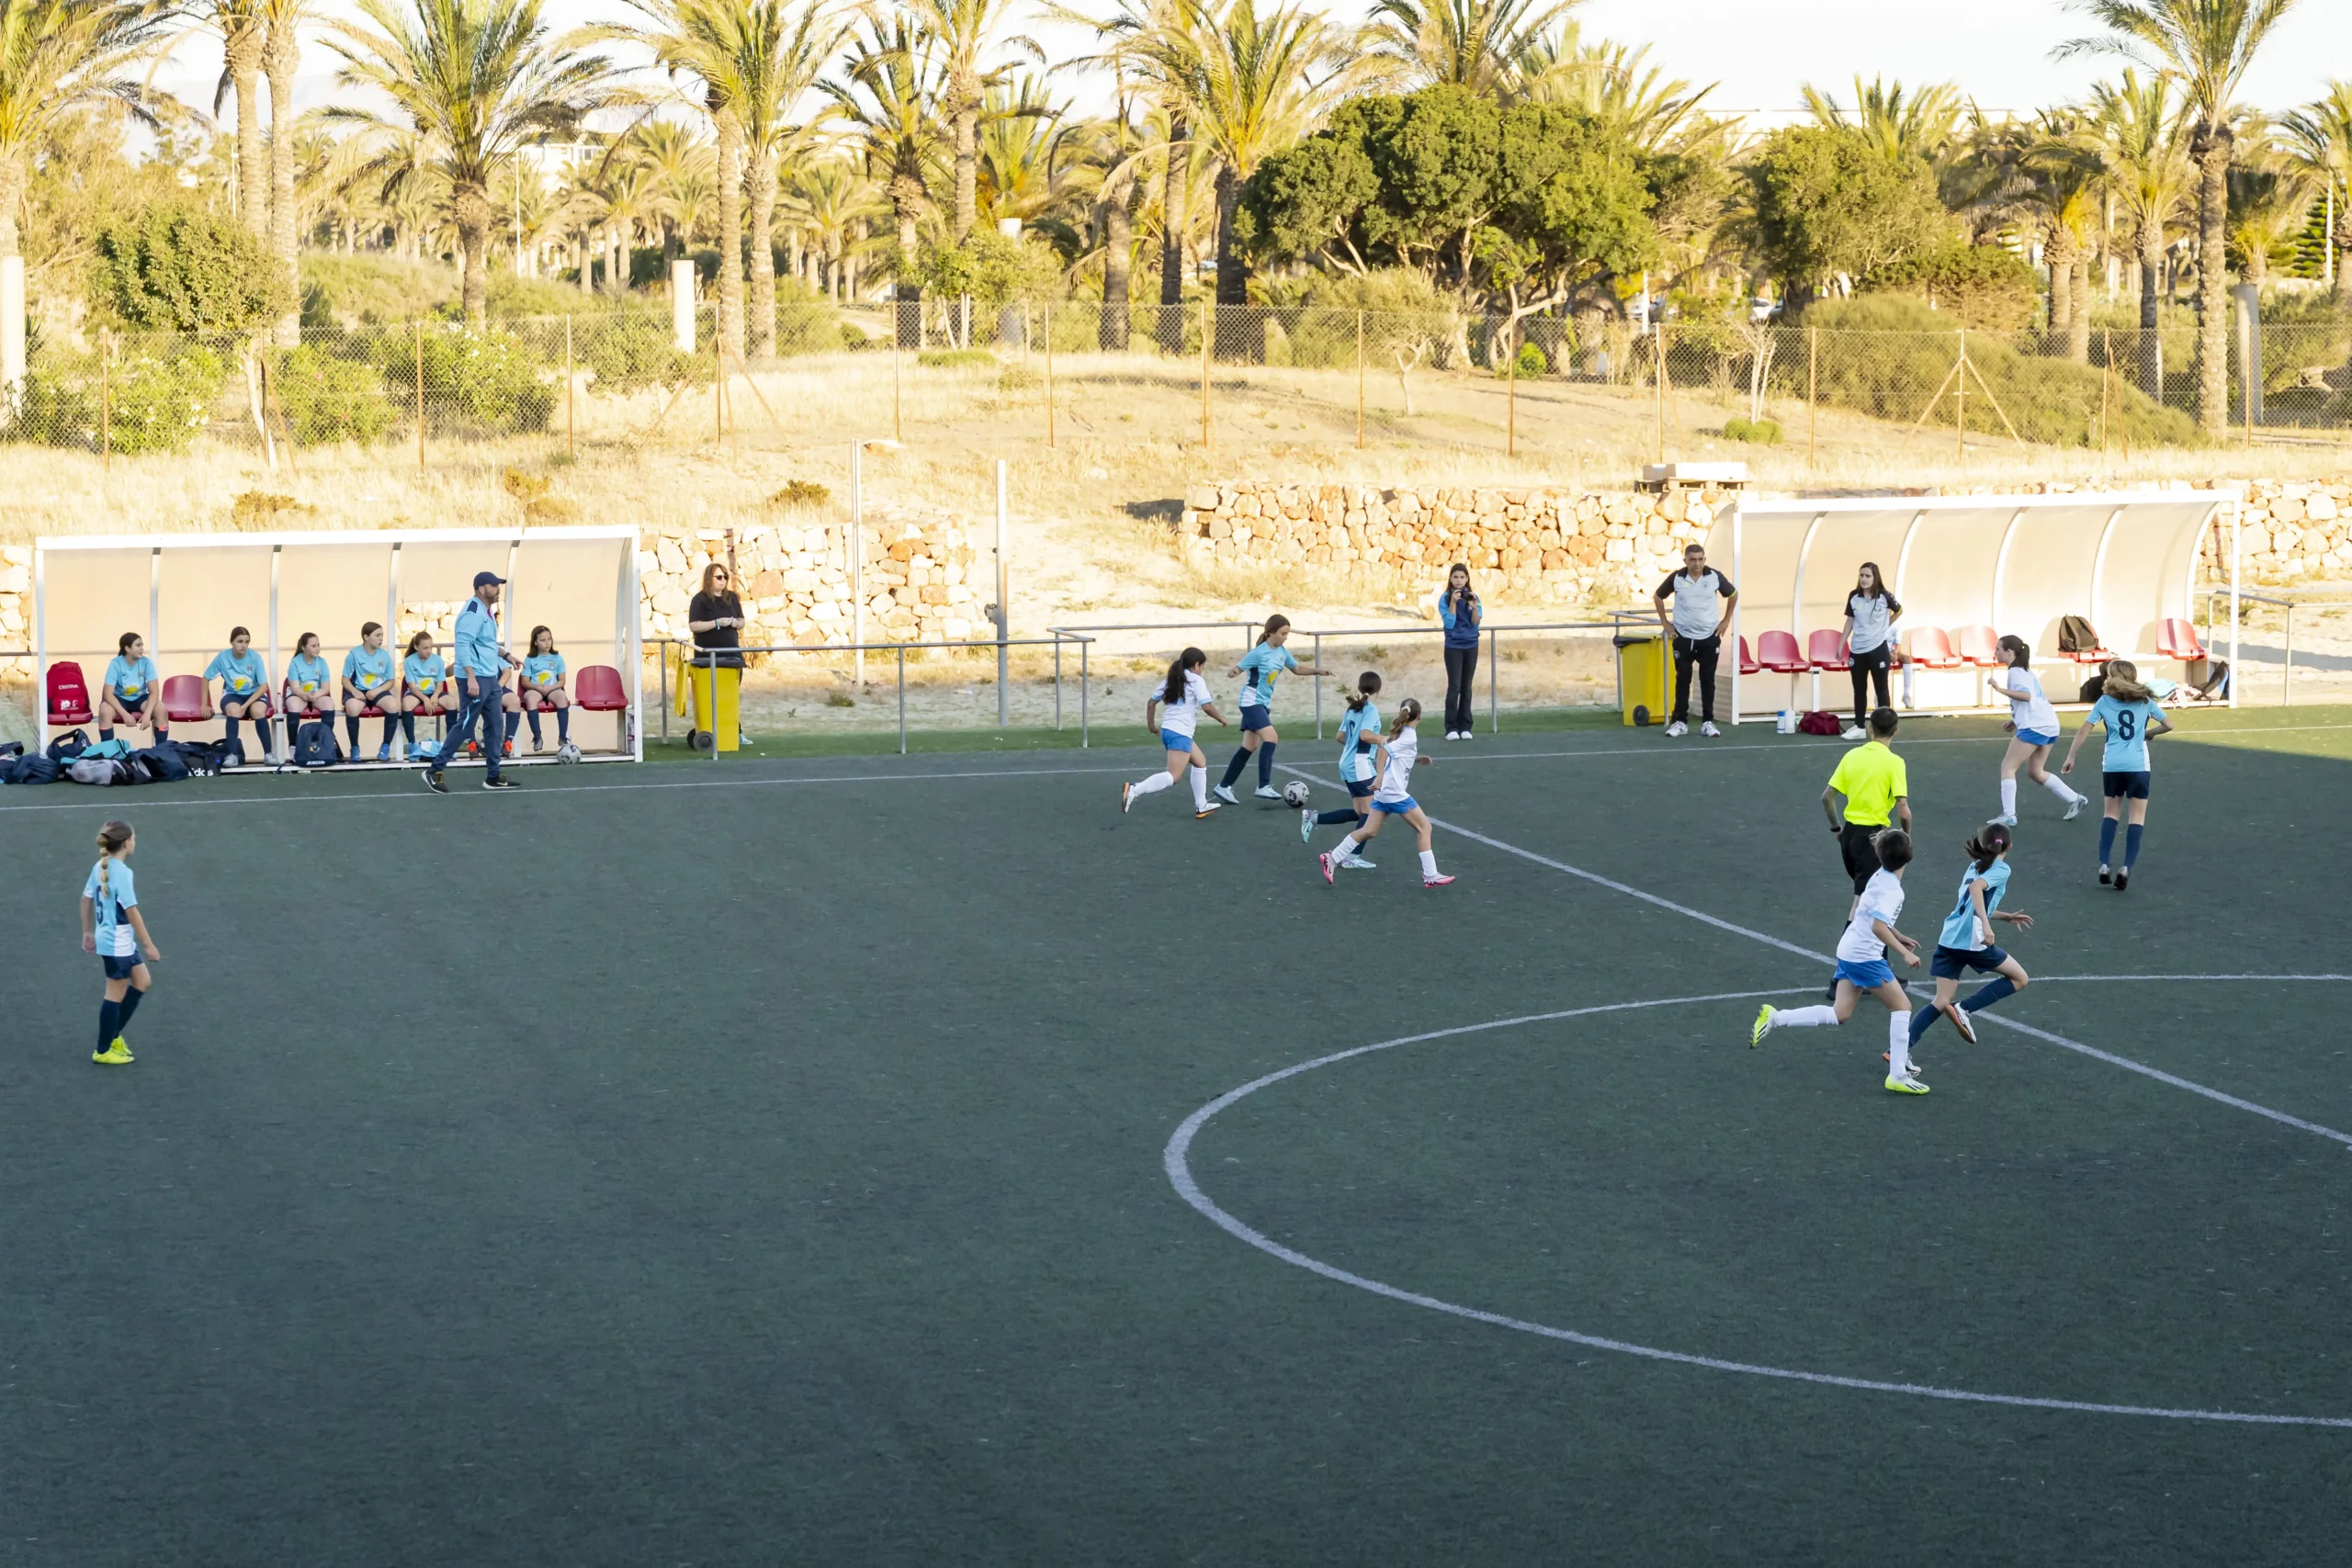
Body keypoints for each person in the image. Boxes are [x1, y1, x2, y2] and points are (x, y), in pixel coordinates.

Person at [1749, 829, 1928, 1095]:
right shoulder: (1893, 890)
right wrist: (1904, 953)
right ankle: (1898, 1074)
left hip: (1849, 949)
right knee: (1902, 1007)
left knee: (1840, 1013)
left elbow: (1868, 914)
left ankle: (1775, 1018)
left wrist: (1899, 936)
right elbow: (1878, 926)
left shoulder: (1879, 876)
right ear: (1909, 857)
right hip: (1865, 956)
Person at [1903, 821, 2033, 1066]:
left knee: (1941, 1001)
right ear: (2009, 846)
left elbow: (1970, 901)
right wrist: (1986, 924)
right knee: (2020, 978)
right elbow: (1976, 889)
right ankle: (1964, 1008)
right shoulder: (2002, 869)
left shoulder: (1975, 865)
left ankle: (1899, 1051)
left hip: (1949, 938)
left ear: (1984, 844)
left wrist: (2004, 916)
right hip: (1972, 940)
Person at [1317, 697, 1453, 888]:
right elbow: (1383, 750)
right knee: (1425, 828)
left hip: (1384, 793)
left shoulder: (1400, 732)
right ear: (1419, 717)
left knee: (1368, 831)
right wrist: (1380, 775)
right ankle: (1431, 875)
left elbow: (1397, 753)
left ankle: (1332, 858)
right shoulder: (1409, 735)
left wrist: (1415, 758)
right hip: (1394, 793)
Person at [2061, 659, 2170, 890]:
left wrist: (2071, 756)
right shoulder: (2145, 701)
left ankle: (2104, 864)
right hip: (2138, 766)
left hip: (2112, 765)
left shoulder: (2104, 701)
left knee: (2110, 814)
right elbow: (2168, 724)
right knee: (2137, 817)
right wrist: (2150, 732)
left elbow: (2083, 731)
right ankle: (2126, 867)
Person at [424, 571, 520, 794]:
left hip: (490, 678)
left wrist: (507, 656)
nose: (498, 589)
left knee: (495, 725)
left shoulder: (487, 611)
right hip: (475, 678)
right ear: (481, 589)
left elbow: (487, 644)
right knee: (465, 724)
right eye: (493, 585)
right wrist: (471, 677)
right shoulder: (473, 612)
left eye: (499, 585)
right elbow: (462, 645)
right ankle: (434, 770)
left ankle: (493, 776)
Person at [1215, 614, 1329, 803]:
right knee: (1271, 738)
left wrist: (1318, 671)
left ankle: (1224, 786)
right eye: (1283, 633)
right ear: (1270, 633)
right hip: (1251, 701)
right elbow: (1239, 667)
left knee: (1249, 746)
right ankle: (1263, 786)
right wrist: (1233, 672)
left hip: (1262, 703)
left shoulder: (1282, 651)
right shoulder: (1259, 652)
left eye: (1287, 634)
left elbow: (1297, 669)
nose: (1286, 637)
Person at [80, 819, 157, 1067]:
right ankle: (103, 1050)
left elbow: (86, 899)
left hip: (115, 940)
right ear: (126, 843)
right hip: (117, 944)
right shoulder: (122, 873)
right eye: (134, 838)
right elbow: (132, 911)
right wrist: (148, 944)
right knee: (114, 994)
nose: (135, 842)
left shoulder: (100, 866)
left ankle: (113, 1036)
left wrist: (87, 931)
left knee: (142, 981)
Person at [1987, 635, 2086, 826]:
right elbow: (2034, 701)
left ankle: (2009, 815)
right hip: (2049, 724)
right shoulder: (2025, 672)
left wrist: (2000, 690)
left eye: (1998, 649)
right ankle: (2075, 799)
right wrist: (2015, 720)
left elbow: (2026, 696)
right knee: (2035, 771)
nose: (1995, 652)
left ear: (2009, 652)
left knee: (2008, 767)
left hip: (2035, 726)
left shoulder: (2015, 672)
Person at [1122, 648, 1227, 817]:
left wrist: (1151, 726)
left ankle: (1201, 805)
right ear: (1197, 665)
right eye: (1202, 666)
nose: (1202, 670)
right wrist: (1221, 719)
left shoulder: (1171, 679)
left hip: (1168, 730)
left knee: (1200, 762)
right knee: (1174, 776)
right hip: (1180, 732)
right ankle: (1134, 790)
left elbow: (1151, 703)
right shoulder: (1196, 680)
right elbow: (1206, 706)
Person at [1822, 706, 1911, 900]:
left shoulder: (1851, 755)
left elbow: (1827, 797)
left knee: (1868, 898)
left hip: (1849, 836)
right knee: (1863, 900)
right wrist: (1906, 835)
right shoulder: (1894, 762)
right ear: (1896, 731)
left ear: (1870, 728)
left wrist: (1837, 828)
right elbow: (1903, 808)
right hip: (1873, 839)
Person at [1653, 542, 1737, 739]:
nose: (1697, 563)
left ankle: (1708, 722)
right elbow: (1658, 597)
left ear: (1704, 560)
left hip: (1709, 637)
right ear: (1685, 561)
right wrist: (1665, 623)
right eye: (1692, 560)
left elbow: (1733, 594)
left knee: (1707, 680)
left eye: (1700, 559)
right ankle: (1680, 722)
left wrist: (1726, 621)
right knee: (1683, 679)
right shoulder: (1677, 578)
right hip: (1683, 636)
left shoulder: (1714, 576)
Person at [1302, 671, 1382, 869]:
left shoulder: (1353, 708)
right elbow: (1365, 735)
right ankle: (1352, 856)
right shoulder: (1370, 710)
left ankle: (1314, 818)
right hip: (1360, 765)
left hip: (1346, 763)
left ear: (1360, 687)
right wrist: (1386, 740)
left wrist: (1353, 746)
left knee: (1359, 812)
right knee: (1371, 813)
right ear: (1378, 690)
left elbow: (1340, 736)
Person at [687, 561, 747, 749]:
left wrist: (734, 623)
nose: (723, 580)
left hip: (731, 654)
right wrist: (717, 623)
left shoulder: (732, 598)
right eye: (719, 577)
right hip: (708, 656)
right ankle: (708, 730)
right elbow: (694, 625)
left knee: (729, 696)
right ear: (709, 578)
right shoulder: (700, 600)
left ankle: (734, 731)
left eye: (725, 577)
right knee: (710, 697)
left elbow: (742, 621)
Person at [1838, 562, 1900, 740]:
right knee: (1859, 689)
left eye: (1868, 576)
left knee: (1881, 689)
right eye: (1862, 575)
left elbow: (1899, 610)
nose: (1864, 579)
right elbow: (1849, 621)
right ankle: (1859, 726)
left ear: (1875, 578)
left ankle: (1885, 729)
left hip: (1878, 649)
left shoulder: (1885, 596)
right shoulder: (1854, 596)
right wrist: (1841, 643)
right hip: (1857, 650)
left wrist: (1885, 624)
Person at [204, 626, 274, 764]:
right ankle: (232, 755)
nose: (244, 645)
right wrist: (204, 704)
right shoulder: (223, 657)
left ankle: (268, 754)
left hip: (254, 695)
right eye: (240, 641)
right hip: (232, 694)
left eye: (247, 642)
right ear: (232, 642)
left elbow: (263, 687)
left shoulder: (255, 657)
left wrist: (245, 706)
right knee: (233, 710)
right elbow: (205, 678)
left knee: (258, 711)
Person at [342, 621, 401, 761]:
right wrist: (354, 692)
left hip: (378, 690)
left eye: (382, 635)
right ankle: (354, 748)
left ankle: (385, 746)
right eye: (377, 635)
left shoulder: (385, 656)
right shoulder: (353, 655)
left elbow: (390, 681)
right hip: (358, 690)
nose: (381, 639)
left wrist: (376, 691)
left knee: (393, 706)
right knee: (352, 708)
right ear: (366, 637)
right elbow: (345, 680)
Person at [96, 632, 166, 744]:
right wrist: (124, 714)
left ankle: (162, 749)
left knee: (161, 709)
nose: (142, 648)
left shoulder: (146, 662)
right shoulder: (115, 663)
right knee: (105, 710)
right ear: (127, 648)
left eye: (142, 645)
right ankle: (107, 750)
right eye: (138, 645)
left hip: (140, 698)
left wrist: (147, 713)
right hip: (119, 698)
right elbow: (108, 694)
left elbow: (154, 691)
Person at [1439, 564, 1482, 740]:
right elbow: (1449, 623)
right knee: (1454, 686)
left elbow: (1476, 623)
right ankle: (1451, 727)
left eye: (1462, 577)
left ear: (1467, 579)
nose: (1459, 581)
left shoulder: (1473, 596)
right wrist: (1453, 603)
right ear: (1450, 578)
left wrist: (1473, 606)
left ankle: (1465, 726)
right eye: (1455, 577)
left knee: (1467, 687)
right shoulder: (1445, 598)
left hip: (1471, 645)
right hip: (1453, 646)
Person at [401, 631, 456, 758]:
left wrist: (435, 696)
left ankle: (450, 745)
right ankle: (412, 744)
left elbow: (440, 684)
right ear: (416, 647)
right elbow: (412, 687)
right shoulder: (408, 661)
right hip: (416, 693)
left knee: (451, 703)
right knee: (406, 704)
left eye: (431, 647)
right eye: (425, 648)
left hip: (434, 692)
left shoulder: (438, 660)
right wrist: (425, 699)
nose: (429, 651)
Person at [519, 625, 572, 752]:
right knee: (531, 698)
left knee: (562, 697)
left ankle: (562, 737)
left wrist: (550, 688)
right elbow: (525, 681)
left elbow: (562, 681)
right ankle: (537, 737)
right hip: (535, 689)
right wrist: (537, 687)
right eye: (543, 640)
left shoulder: (558, 658)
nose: (547, 643)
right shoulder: (529, 659)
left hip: (552, 688)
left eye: (549, 639)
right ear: (535, 642)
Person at [283, 632, 335, 731]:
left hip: (317, 695)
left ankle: (325, 737)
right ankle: (293, 741)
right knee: (294, 706)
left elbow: (325, 688)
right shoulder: (295, 662)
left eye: (318, 645)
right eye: (313, 646)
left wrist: (316, 695)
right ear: (303, 647)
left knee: (329, 704)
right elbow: (295, 688)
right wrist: (304, 695)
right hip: (298, 695)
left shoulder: (322, 662)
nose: (317, 648)